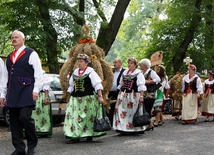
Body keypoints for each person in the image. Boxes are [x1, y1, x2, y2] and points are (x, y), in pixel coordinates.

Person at [0, 30, 44, 155]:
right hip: (12, 93)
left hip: (26, 91)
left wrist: (36, 90)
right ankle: (19, 148)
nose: (14, 39)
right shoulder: (9, 57)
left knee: (25, 117)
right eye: (12, 37)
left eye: (17, 37)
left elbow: (38, 74)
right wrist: (2, 95)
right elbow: (5, 77)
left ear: (23, 39)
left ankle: (32, 144)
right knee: (13, 122)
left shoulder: (31, 53)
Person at [63, 53, 105, 144]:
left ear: (87, 63)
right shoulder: (75, 72)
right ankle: (75, 136)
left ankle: (89, 134)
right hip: (75, 99)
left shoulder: (91, 72)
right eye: (78, 61)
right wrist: (67, 95)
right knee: (74, 117)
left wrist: (100, 96)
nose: (79, 63)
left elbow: (97, 85)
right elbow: (71, 86)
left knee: (88, 117)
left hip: (88, 99)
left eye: (81, 61)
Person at [113, 57, 146, 134]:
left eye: (131, 63)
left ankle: (135, 128)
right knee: (122, 111)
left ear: (135, 65)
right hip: (124, 95)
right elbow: (121, 84)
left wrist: (141, 96)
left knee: (133, 112)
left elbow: (141, 86)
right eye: (128, 63)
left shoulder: (138, 73)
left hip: (133, 95)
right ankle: (123, 128)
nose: (129, 65)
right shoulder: (125, 73)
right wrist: (119, 92)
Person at [139, 58, 161, 131]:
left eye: (141, 64)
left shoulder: (151, 72)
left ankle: (149, 124)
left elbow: (158, 79)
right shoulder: (142, 73)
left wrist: (148, 82)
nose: (140, 66)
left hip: (150, 94)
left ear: (144, 65)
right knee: (145, 109)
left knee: (148, 109)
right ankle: (149, 124)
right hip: (144, 94)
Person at [31, 71, 53, 136]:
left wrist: (46, 97)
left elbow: (46, 86)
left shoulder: (42, 74)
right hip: (31, 95)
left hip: (41, 95)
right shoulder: (29, 72)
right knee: (32, 114)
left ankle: (43, 130)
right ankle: (33, 130)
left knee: (44, 113)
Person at [108, 58, 125, 126]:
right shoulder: (112, 71)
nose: (114, 64)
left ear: (120, 63)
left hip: (119, 92)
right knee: (110, 107)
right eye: (113, 62)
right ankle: (111, 122)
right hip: (111, 92)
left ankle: (119, 122)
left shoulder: (124, 71)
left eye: (116, 62)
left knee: (118, 107)